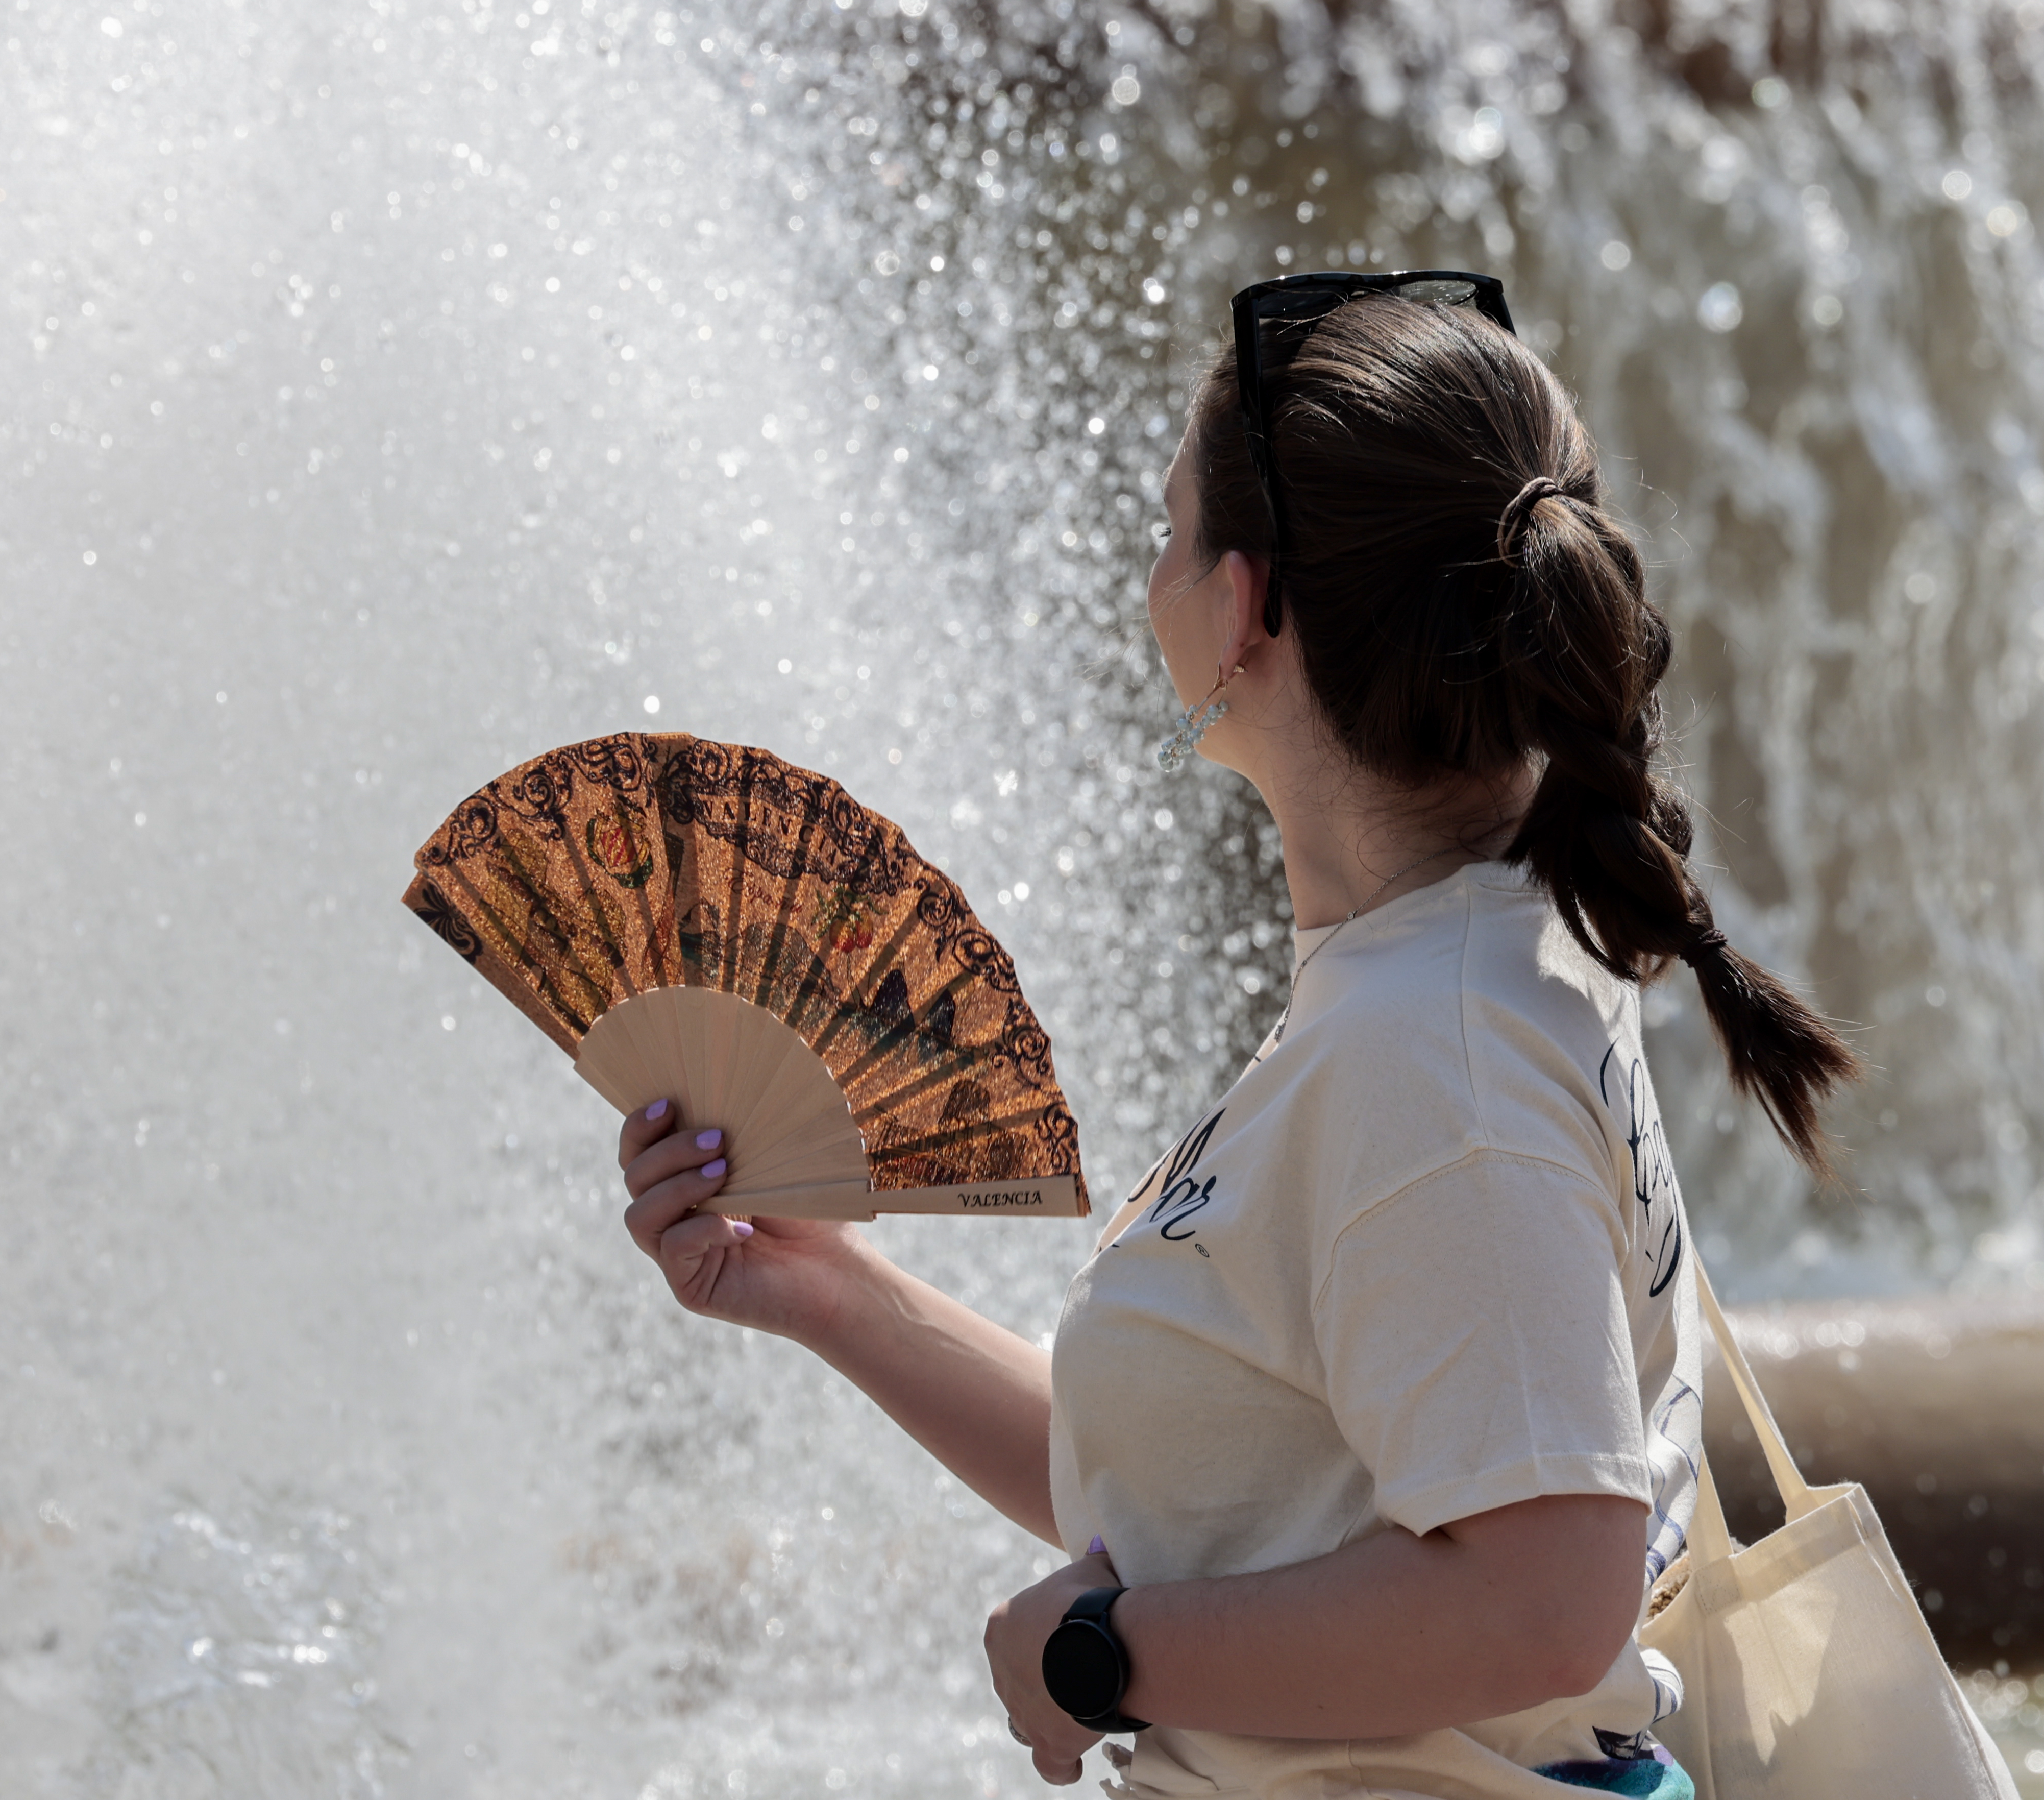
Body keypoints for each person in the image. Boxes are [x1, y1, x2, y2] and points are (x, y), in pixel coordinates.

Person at [610, 273, 1859, 1799]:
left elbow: (1544, 1597)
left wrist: (1110, 1656)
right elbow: (1221, 1491)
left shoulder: (1437, 1053)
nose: (1146, 578)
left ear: (1246, 604)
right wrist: (825, 1288)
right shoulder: (1445, 971)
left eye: (1165, 530)